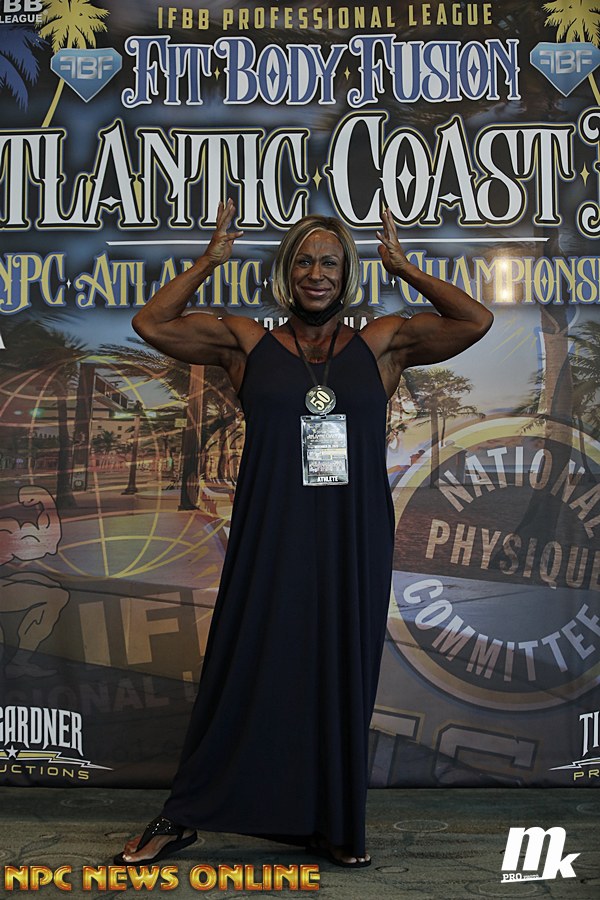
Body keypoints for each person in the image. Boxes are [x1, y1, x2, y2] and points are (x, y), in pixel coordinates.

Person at [115, 201, 493, 868]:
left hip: (353, 534)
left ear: (346, 275)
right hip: (272, 528)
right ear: (286, 273)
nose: (317, 273)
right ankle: (186, 812)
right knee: (246, 661)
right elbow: (151, 322)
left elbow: (475, 320)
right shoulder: (246, 342)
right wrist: (209, 261)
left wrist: (404, 267)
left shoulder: (381, 343)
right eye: (304, 262)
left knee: (340, 669)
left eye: (330, 263)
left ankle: (332, 824)